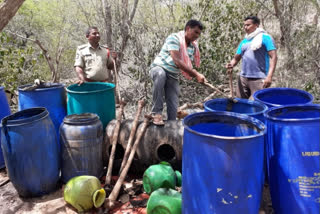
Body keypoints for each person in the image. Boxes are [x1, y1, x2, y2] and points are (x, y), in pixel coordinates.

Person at [149, 19, 207, 125]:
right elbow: (177, 61)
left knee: (173, 101)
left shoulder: (192, 47)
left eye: (199, 34)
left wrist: (198, 76)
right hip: (158, 68)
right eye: (196, 32)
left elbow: (186, 65)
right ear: (188, 29)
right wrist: (196, 74)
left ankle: (172, 124)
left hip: (173, 74)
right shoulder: (174, 38)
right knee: (160, 75)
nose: (197, 36)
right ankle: (156, 113)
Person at [226, 15, 277, 99]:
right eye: (244, 25)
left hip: (259, 78)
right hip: (243, 78)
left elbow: (274, 57)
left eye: (248, 25)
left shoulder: (265, 38)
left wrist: (269, 76)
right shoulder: (244, 41)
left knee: (258, 105)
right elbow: (236, 58)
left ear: (256, 25)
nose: (245, 27)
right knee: (240, 104)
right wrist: (231, 64)